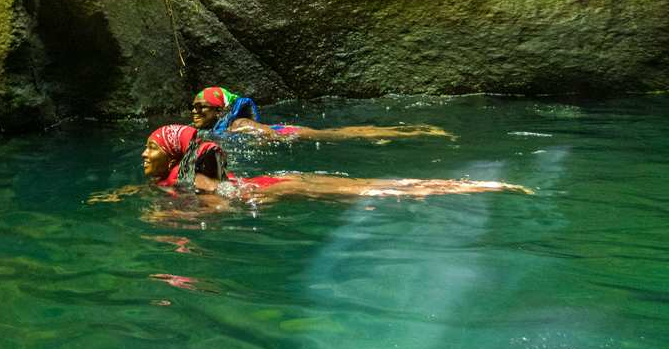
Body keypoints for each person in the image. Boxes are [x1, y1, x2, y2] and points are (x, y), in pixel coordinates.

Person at [137, 124, 531, 202]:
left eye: (150, 148)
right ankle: (474, 186)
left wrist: (173, 221)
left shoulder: (194, 180)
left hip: (273, 187)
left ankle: (479, 187)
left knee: (366, 189)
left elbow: (219, 202)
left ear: (172, 154)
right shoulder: (181, 174)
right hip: (273, 180)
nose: (143, 154)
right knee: (365, 186)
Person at [190, 86, 452, 142]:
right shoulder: (220, 128)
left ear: (220, 109)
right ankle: (407, 131)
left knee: (337, 135)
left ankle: (415, 131)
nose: (195, 112)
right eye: (193, 107)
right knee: (340, 134)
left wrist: (277, 140)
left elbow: (268, 134)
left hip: (289, 133)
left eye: (200, 107)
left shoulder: (239, 124)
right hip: (285, 129)